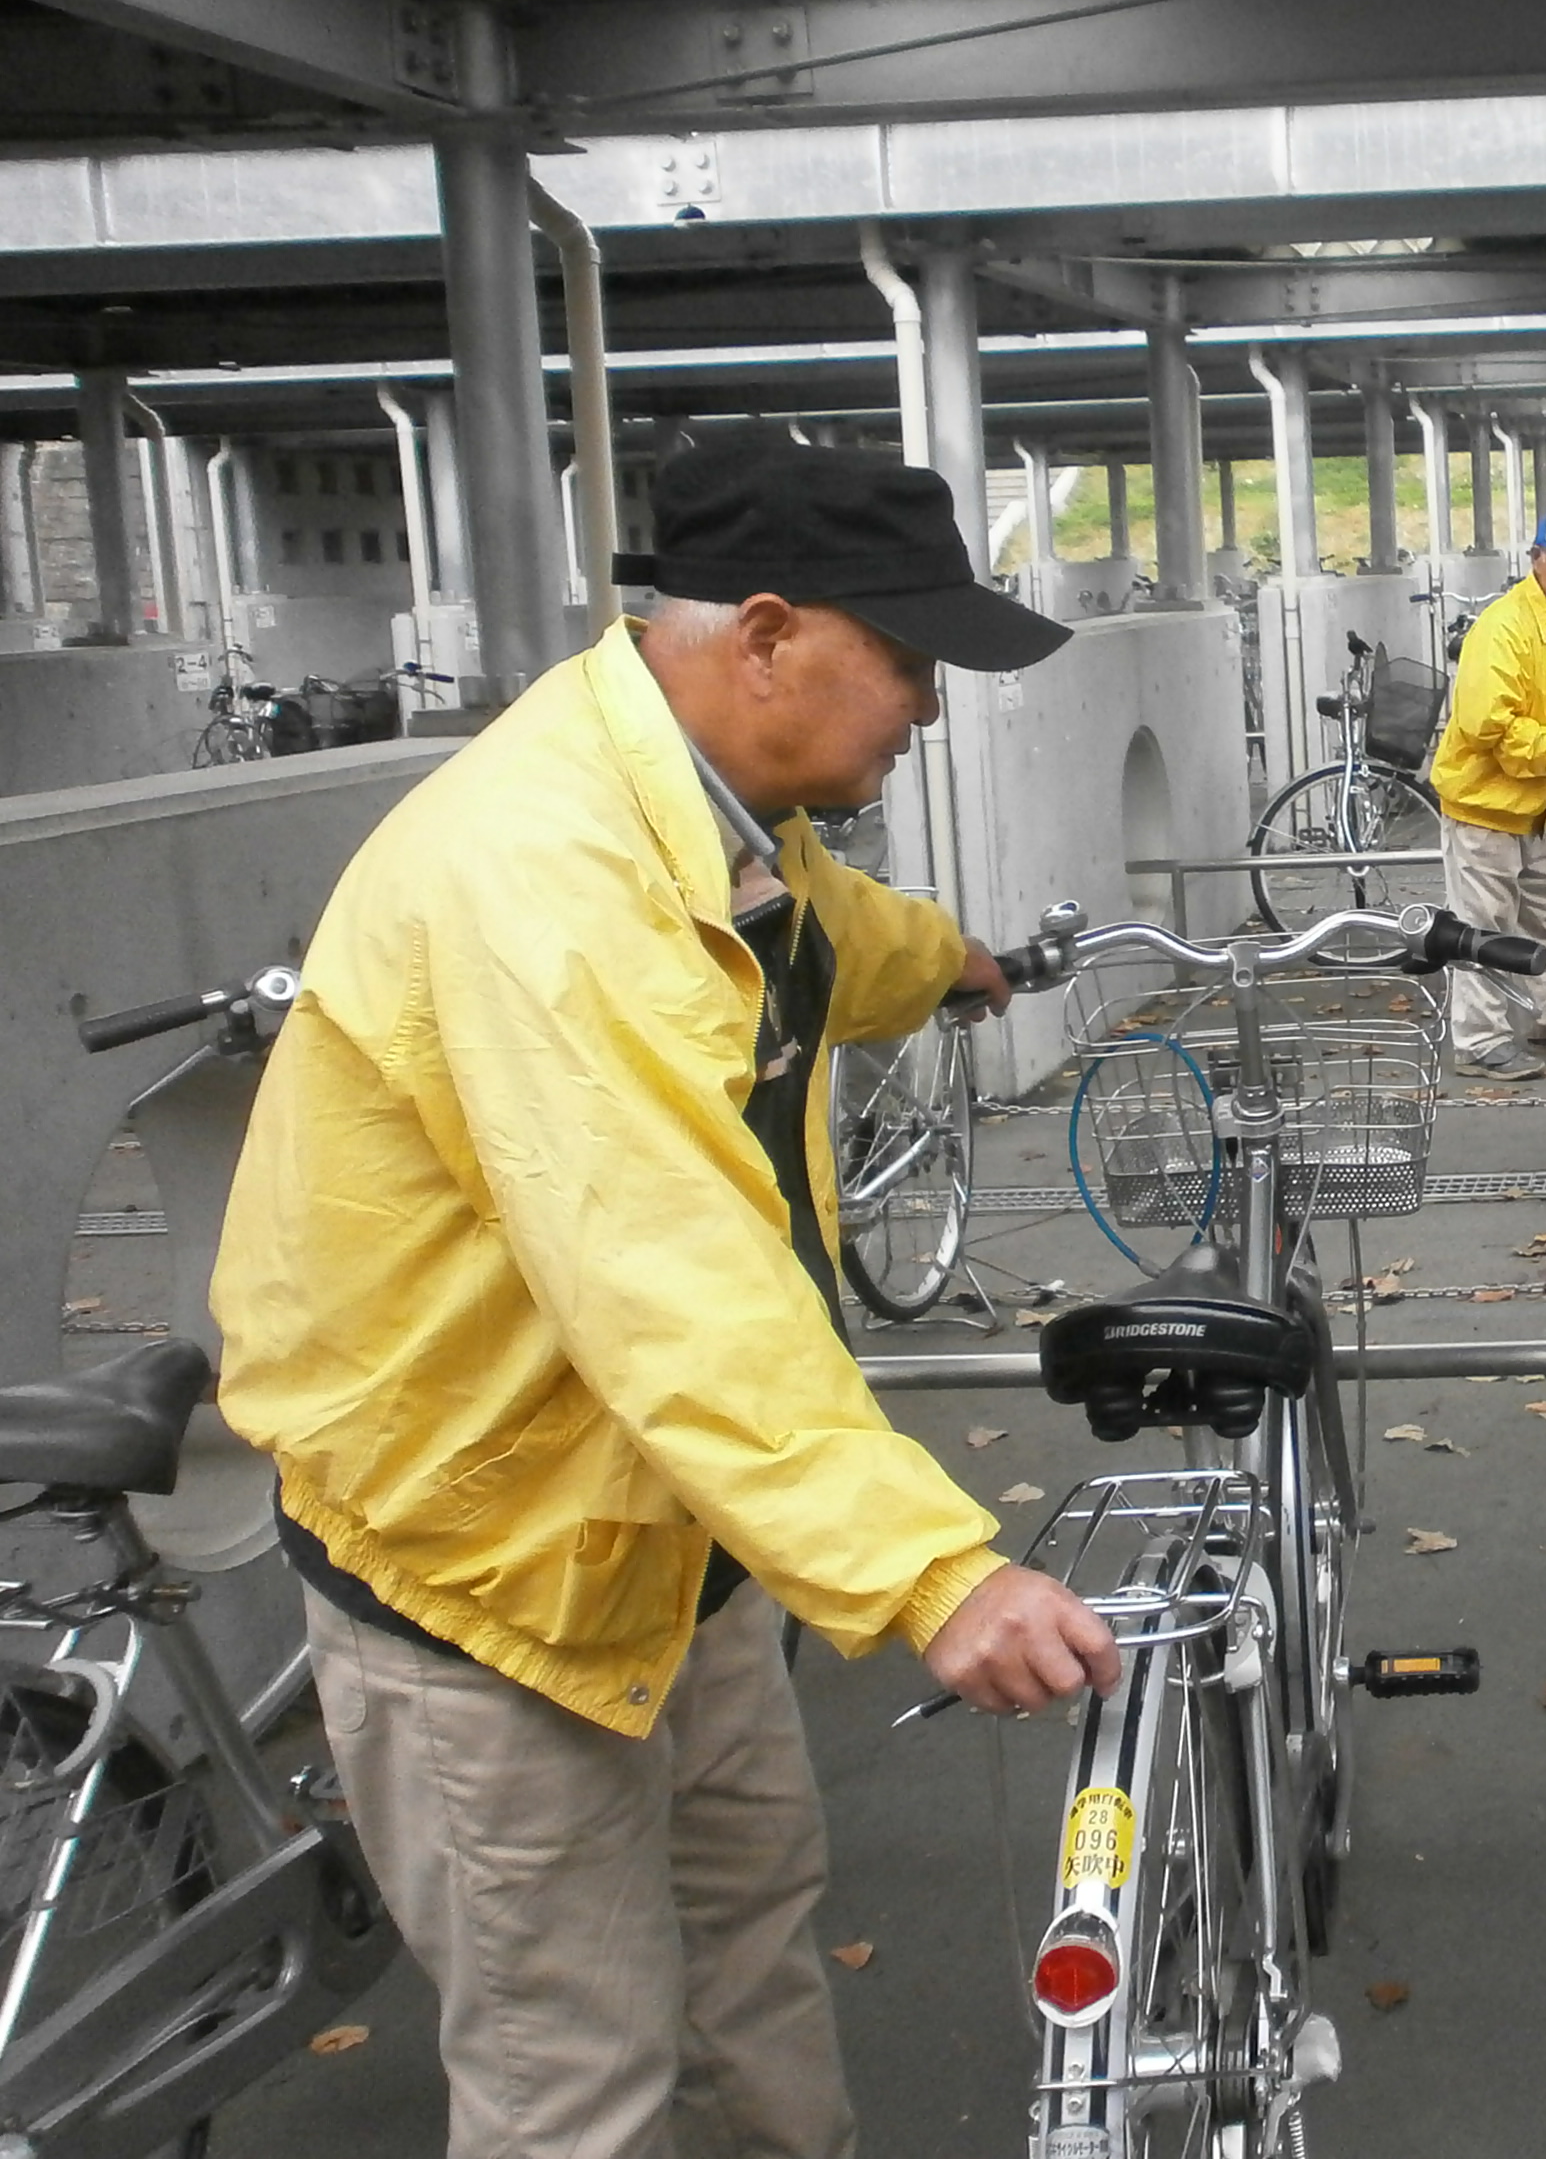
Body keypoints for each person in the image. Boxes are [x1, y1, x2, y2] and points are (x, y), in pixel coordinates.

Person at [212, 431, 1126, 2159]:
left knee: (747, 1961)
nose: (929, 708)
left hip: (670, 1529)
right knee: (577, 2074)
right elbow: (665, 1273)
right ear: (766, 635)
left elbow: (813, 930)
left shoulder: (714, 810)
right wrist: (929, 1568)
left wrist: (952, 962)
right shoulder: (542, 872)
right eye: (907, 659)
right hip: (491, 1562)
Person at [1426, 504, 1546, 1078]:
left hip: (1539, 804)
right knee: (1482, 930)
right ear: (1537, 558)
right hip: (1485, 806)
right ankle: (1479, 1041)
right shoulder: (1504, 626)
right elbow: (1486, 726)